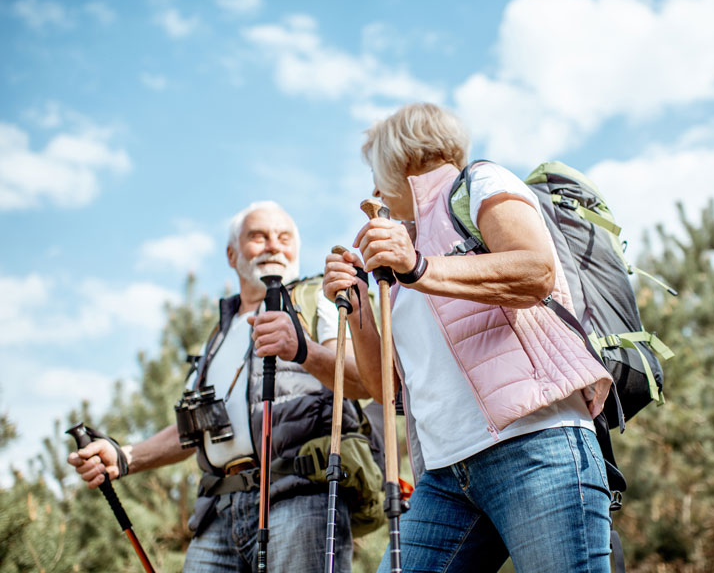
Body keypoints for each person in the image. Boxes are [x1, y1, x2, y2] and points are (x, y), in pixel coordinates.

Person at [323, 103, 614, 573]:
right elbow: (386, 390)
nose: (373, 190)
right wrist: (357, 306)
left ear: (401, 157)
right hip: (444, 476)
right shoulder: (403, 255)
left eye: (375, 172)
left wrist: (420, 269)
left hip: (535, 444)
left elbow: (535, 270)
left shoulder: (480, 182)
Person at [68, 201, 371, 573]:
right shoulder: (217, 337)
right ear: (231, 254)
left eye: (284, 237)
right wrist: (125, 457)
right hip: (217, 512)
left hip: (299, 499)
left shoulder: (317, 301)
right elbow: (196, 432)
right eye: (258, 237)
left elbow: (363, 380)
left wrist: (302, 349)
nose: (273, 245)